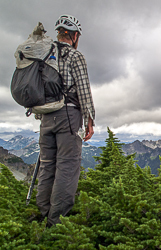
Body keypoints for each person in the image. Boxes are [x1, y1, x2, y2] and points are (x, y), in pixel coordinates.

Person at [36, 14, 95, 227]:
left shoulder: (43, 55)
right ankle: (56, 223)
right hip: (68, 116)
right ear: (74, 35)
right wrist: (89, 120)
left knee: (47, 165)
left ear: (59, 33)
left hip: (46, 118)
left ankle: (42, 213)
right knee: (67, 167)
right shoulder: (74, 56)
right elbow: (84, 91)